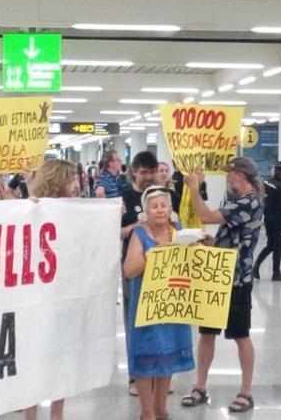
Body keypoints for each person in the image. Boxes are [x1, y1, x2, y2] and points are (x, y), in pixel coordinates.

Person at [180, 158, 263, 413]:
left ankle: (246, 392)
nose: (228, 178)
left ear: (241, 175)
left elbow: (205, 215)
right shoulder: (234, 202)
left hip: (237, 279)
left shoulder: (248, 202)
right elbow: (230, 236)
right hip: (216, 276)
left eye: (230, 174)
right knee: (207, 333)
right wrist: (209, 242)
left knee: (240, 335)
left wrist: (194, 188)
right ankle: (200, 387)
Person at [123, 186, 194, 420]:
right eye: (154, 206)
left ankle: (161, 408)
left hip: (173, 303)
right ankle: (147, 412)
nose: (160, 210)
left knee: (168, 356)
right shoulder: (140, 234)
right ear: (145, 211)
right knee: (146, 358)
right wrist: (156, 255)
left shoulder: (180, 231)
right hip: (147, 305)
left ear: (171, 209)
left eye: (164, 205)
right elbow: (130, 269)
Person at [22, 159, 80, 420]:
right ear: (59, 180)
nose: (77, 184)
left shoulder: (77, 210)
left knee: (61, 358)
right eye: (72, 179)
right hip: (38, 295)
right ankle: (32, 413)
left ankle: (58, 413)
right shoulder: (35, 207)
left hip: (64, 293)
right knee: (34, 358)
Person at [119, 151, 159, 395]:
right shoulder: (123, 198)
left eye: (151, 171)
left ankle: (159, 373)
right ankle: (136, 376)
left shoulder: (163, 197)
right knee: (134, 323)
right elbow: (116, 233)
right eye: (143, 172)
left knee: (159, 322)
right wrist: (138, 225)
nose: (147, 177)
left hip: (162, 271)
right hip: (133, 269)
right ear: (133, 171)